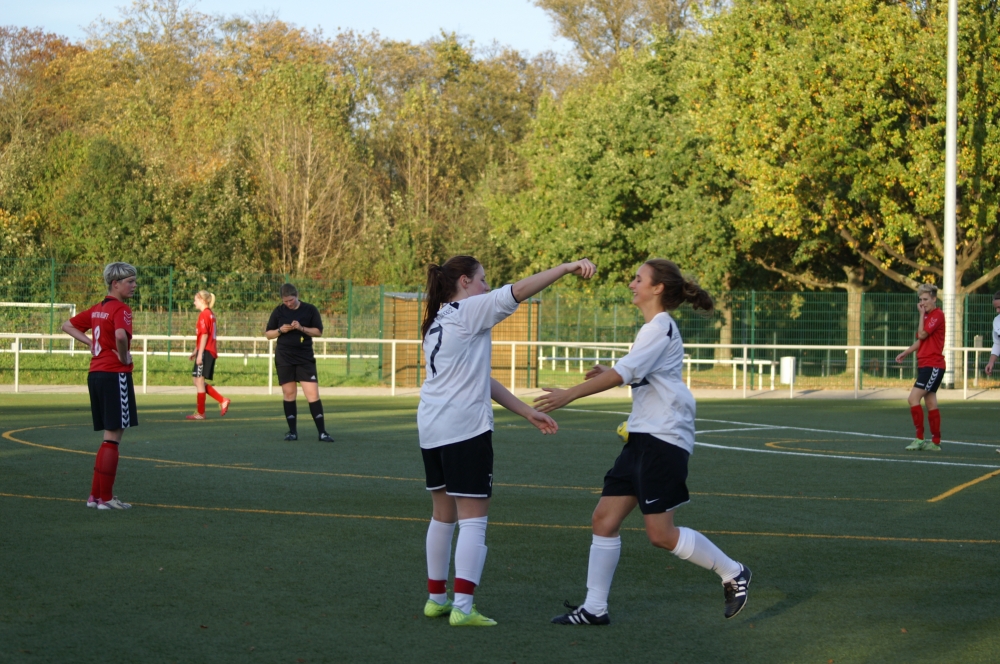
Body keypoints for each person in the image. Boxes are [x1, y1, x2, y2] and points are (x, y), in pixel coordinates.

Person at [534, 259, 751, 625]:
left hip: (662, 441)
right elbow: (639, 373)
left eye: (638, 279)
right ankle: (594, 609)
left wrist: (569, 394)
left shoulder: (660, 326)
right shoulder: (653, 329)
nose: (631, 284)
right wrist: (616, 374)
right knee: (603, 520)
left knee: (661, 535)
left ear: (657, 288)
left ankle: (733, 573)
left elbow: (625, 372)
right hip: (641, 438)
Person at [419, 255, 595, 627]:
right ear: (464, 281)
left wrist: (525, 411)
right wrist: (564, 268)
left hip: (432, 427)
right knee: (473, 520)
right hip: (464, 429)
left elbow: (478, 378)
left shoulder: (438, 320)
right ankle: (463, 608)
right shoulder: (469, 310)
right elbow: (516, 292)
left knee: (442, 515)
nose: (487, 286)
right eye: (483, 279)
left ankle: (437, 598)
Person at [61, 262, 139, 510]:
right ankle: (105, 498)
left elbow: (67, 325)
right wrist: (124, 356)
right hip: (115, 375)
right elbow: (119, 336)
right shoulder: (121, 309)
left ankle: (96, 496)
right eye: (130, 282)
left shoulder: (98, 309)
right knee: (114, 437)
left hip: (95, 373)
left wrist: (92, 345)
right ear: (115, 284)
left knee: (108, 437)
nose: (134, 286)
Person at [265, 283, 333, 442]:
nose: (288, 303)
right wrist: (281, 330)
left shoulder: (310, 309)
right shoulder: (279, 311)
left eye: (291, 300)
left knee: (313, 394)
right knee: (289, 393)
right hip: (284, 357)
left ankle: (322, 432)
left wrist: (301, 328)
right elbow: (268, 334)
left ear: (297, 295)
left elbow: (318, 332)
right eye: (285, 301)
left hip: (304, 358)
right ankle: (292, 432)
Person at [895, 283, 945, 452]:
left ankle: (919, 439)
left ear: (934, 298)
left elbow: (922, 334)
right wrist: (906, 352)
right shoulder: (928, 316)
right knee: (930, 402)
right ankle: (935, 442)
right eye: (920, 300)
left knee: (912, 399)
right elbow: (921, 340)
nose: (922, 303)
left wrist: (921, 315)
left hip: (933, 365)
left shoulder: (937, 315)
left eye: (925, 299)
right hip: (926, 364)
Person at [186, 290, 231, 420]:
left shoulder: (204, 314)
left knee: (199, 381)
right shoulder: (209, 314)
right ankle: (222, 400)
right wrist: (195, 351)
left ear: (202, 300)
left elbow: (205, 335)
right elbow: (203, 336)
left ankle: (201, 413)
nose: (194, 302)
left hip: (206, 351)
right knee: (197, 380)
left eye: (195, 299)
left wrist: (200, 354)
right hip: (205, 350)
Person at [984, 290, 1000, 378]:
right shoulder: (997, 321)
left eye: (999, 307)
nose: (997, 311)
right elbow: (997, 343)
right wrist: (991, 362)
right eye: (996, 308)